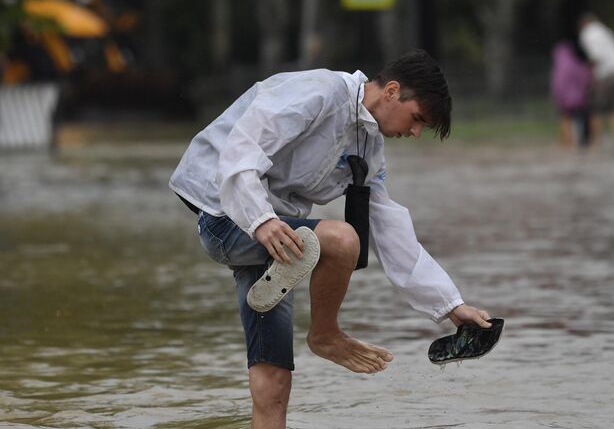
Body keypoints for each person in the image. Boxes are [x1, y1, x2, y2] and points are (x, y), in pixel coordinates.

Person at [169, 49, 492, 429]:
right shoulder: (320, 93)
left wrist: (452, 307)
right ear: (391, 91)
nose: (416, 132)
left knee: (273, 378)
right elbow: (243, 148)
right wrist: (260, 220)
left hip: (278, 246)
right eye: (417, 118)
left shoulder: (368, 148)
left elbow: (391, 230)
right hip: (224, 215)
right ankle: (324, 334)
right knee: (340, 239)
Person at [578, 13, 614, 154]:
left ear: (583, 24)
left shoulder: (588, 34)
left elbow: (596, 57)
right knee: (612, 108)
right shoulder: (604, 30)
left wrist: (584, 69)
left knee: (595, 107)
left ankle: (596, 142)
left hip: (608, 73)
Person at [550, 40, 592, 150]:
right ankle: (579, 142)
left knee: (565, 119)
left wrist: (557, 97)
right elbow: (586, 77)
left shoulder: (559, 67)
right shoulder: (575, 63)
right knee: (579, 120)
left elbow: (557, 85)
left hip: (564, 99)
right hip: (579, 98)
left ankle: (567, 142)